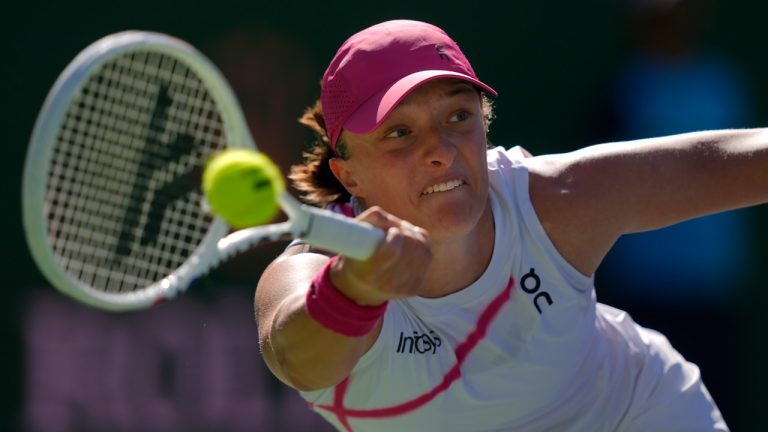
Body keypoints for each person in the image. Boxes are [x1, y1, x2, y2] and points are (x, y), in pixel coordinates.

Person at [255, 19, 766, 431]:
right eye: (400, 132)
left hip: (637, 417)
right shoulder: (309, 270)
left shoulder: (551, 201)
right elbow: (297, 357)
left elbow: (723, 164)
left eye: (458, 117)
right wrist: (352, 290)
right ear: (349, 175)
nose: (441, 150)